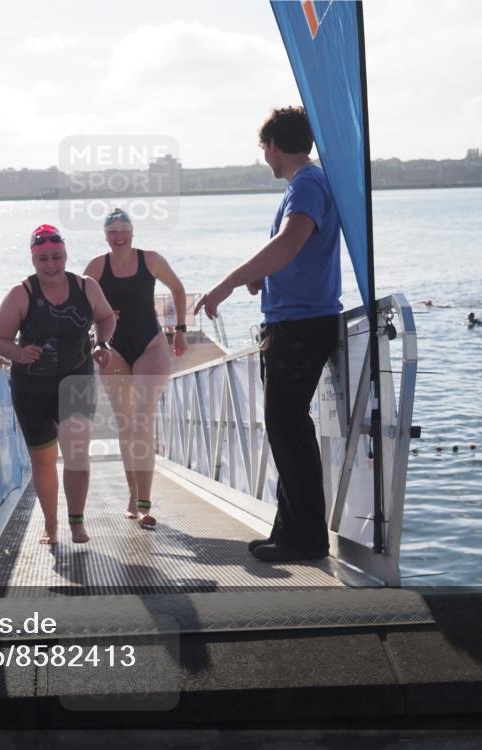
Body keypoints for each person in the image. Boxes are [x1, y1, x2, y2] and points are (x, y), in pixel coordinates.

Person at [194, 106, 340, 563]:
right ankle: (290, 530)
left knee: (288, 426)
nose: (265, 159)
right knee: (285, 428)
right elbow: (294, 252)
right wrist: (265, 278)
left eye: (264, 149)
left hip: (300, 324)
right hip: (294, 319)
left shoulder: (307, 183)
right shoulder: (306, 184)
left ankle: (306, 539)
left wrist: (228, 282)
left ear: (276, 144)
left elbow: (289, 242)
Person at [0, 225, 116, 545]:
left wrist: (102, 345)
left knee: (76, 454)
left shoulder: (86, 287)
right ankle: (50, 524)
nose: (51, 264)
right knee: (44, 461)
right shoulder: (22, 294)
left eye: (56, 257)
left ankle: (76, 521)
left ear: (65, 254)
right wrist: (19, 352)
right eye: (43, 258)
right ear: (33, 259)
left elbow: (106, 317)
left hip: (76, 379)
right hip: (33, 388)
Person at [83, 208, 188, 529]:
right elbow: (78, 305)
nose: (118, 236)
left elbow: (178, 288)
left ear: (132, 232)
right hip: (114, 349)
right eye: (112, 231)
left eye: (123, 230)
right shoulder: (97, 267)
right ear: (105, 235)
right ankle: (132, 494)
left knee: (143, 419)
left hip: (151, 344)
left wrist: (180, 329)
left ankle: (145, 502)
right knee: (126, 424)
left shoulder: (150, 260)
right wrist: (99, 316)